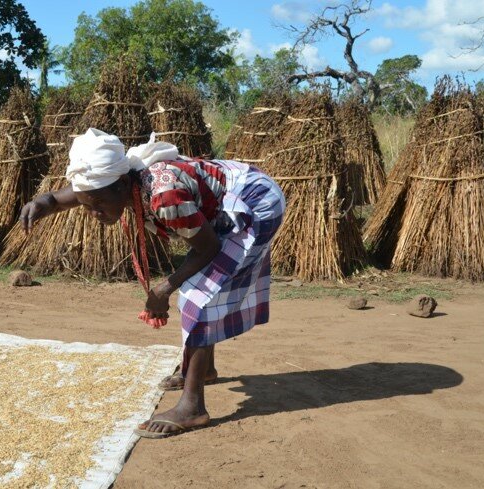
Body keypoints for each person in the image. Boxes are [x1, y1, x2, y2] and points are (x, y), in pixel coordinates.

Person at [19, 128, 286, 438]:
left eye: (98, 205)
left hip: (256, 201)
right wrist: (42, 202)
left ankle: (193, 407)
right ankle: (203, 370)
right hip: (222, 199)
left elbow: (209, 248)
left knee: (198, 297)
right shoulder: (110, 184)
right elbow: (63, 198)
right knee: (200, 288)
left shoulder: (164, 196)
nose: (93, 213)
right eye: (86, 204)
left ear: (121, 185)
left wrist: (162, 290)